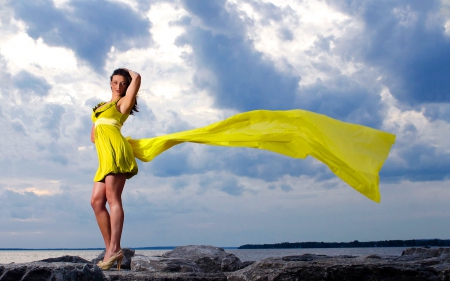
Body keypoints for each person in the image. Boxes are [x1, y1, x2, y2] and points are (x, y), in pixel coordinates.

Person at [90, 68, 140, 270]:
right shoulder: (100, 107)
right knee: (96, 202)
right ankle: (111, 248)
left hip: (116, 152)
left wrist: (127, 71)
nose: (119, 86)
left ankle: (113, 250)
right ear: (110, 83)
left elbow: (137, 77)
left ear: (127, 87)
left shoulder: (123, 104)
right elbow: (93, 137)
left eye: (123, 83)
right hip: (104, 157)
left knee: (113, 199)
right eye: (116, 82)